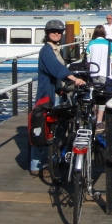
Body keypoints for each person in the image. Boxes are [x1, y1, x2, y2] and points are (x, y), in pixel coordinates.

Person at [31, 19, 85, 176]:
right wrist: (74, 79)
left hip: (57, 93)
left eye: (59, 32)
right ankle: (36, 165)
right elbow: (56, 68)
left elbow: (62, 67)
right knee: (43, 128)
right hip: (48, 96)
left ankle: (51, 160)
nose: (56, 34)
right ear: (47, 33)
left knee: (54, 129)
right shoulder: (47, 51)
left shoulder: (56, 49)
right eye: (53, 31)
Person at [85, 25, 112, 133]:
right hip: (105, 73)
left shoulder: (90, 44)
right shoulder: (109, 44)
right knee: (102, 97)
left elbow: (88, 61)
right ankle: (99, 121)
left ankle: (93, 115)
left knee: (94, 94)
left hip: (93, 73)